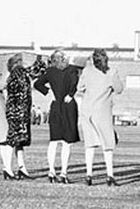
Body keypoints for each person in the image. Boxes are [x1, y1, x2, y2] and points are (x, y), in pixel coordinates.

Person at [77, 48, 124, 186]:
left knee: (90, 144)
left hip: (87, 111)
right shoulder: (111, 72)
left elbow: (80, 88)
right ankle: (110, 175)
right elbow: (119, 89)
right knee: (107, 144)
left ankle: (89, 175)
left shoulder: (87, 72)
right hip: (102, 111)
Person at [32, 50, 80, 183]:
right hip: (68, 106)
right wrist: (70, 94)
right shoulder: (72, 70)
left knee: (54, 141)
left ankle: (51, 170)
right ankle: (63, 172)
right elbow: (74, 84)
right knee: (67, 142)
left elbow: (37, 84)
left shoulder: (50, 72)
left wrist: (48, 92)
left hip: (55, 106)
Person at [5, 53, 42, 180]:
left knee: (18, 140)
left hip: (15, 110)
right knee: (13, 139)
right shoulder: (20, 73)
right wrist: (39, 59)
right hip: (19, 111)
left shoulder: (12, 76)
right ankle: (7, 168)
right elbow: (36, 71)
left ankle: (21, 168)